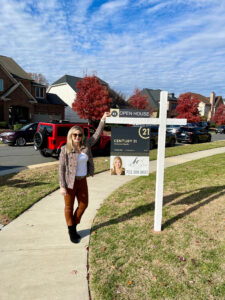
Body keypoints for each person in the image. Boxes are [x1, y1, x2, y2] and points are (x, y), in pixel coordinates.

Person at [59, 112, 110, 243]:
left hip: (82, 180)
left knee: (84, 204)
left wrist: (102, 119)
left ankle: (74, 225)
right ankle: (71, 231)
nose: (77, 137)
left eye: (79, 135)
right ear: (71, 136)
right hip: (70, 182)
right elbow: (61, 169)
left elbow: (97, 135)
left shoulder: (86, 145)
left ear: (82, 136)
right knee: (68, 207)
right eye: (74, 135)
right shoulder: (65, 149)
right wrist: (62, 186)